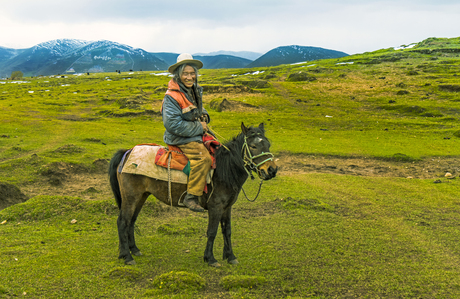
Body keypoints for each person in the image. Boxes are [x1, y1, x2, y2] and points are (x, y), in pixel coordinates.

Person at [161, 53, 212, 212]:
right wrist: (200, 128)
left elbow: (198, 108)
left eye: (192, 73)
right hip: (180, 138)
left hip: (193, 133)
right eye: (185, 74)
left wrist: (205, 116)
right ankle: (191, 196)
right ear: (178, 75)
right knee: (204, 159)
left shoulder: (193, 90)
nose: (190, 77)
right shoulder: (171, 96)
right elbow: (173, 125)